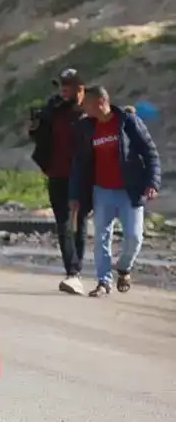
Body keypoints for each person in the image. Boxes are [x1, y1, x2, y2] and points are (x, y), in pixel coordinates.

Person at [69, 86, 161, 296]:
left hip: (130, 190)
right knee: (102, 236)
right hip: (102, 191)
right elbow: (79, 163)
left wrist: (152, 183)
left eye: (88, 104)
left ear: (101, 102)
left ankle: (124, 267)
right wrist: (75, 194)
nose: (85, 108)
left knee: (134, 237)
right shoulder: (87, 128)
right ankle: (103, 282)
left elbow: (150, 153)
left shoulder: (128, 122)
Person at [28, 69, 90, 295]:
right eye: (61, 85)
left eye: (68, 85)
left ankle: (77, 269)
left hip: (81, 176)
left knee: (80, 222)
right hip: (56, 173)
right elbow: (38, 134)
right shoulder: (53, 109)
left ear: (80, 88)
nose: (63, 89)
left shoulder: (87, 111)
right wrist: (35, 126)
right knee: (63, 223)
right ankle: (72, 272)